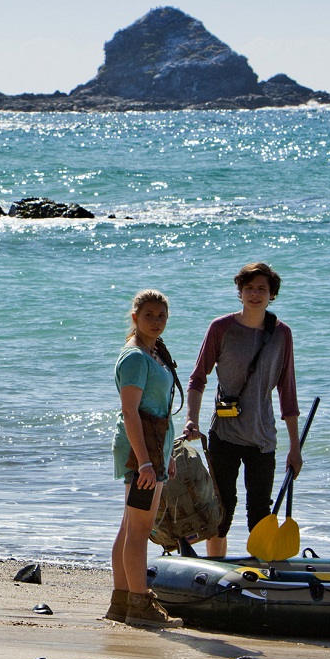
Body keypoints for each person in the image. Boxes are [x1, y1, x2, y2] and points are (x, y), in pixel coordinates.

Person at [182, 262, 301, 559]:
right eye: (249, 288)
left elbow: (288, 392)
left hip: (262, 438)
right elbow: (198, 378)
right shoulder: (221, 328)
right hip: (224, 434)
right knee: (220, 512)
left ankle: (260, 575)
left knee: (260, 512)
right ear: (240, 292)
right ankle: (213, 571)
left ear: (272, 294)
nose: (255, 294)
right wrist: (191, 420)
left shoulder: (281, 334)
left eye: (262, 289)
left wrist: (295, 448)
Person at [105, 288, 180, 627]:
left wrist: (167, 454)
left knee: (129, 526)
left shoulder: (154, 352)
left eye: (161, 316)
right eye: (149, 315)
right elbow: (130, 412)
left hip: (153, 448)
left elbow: (159, 410)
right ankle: (140, 604)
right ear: (135, 318)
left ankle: (121, 603)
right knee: (140, 528)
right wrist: (146, 462)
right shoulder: (135, 356)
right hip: (141, 453)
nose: (156, 321)